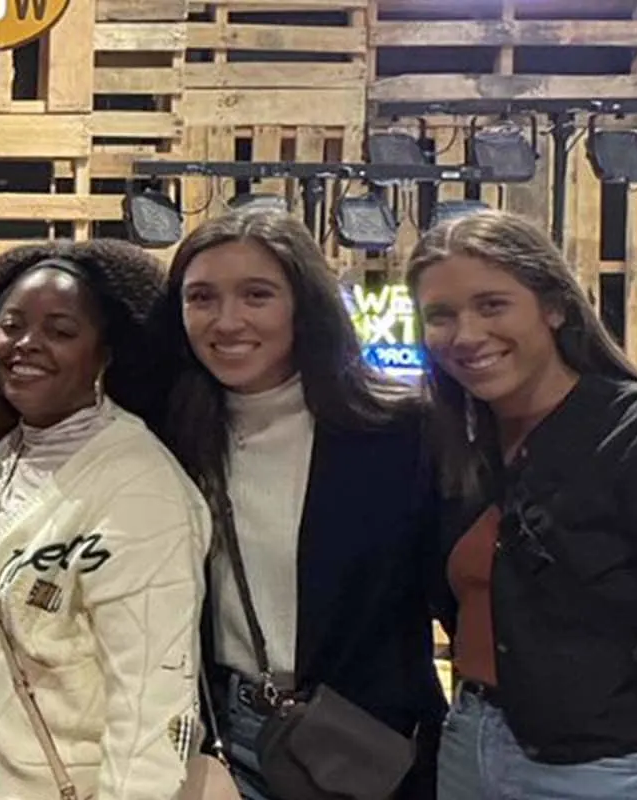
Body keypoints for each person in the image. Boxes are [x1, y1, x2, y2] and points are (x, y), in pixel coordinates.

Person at [147, 208, 444, 800]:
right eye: (201, 297)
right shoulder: (167, 435)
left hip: (360, 744)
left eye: (257, 294)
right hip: (217, 739)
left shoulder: (399, 431)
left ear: (303, 303)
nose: (226, 320)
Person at [0, 240, 208, 800]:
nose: (26, 344)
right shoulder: (11, 450)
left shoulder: (139, 485)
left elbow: (151, 694)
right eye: (12, 325)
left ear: (104, 354)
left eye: (60, 331)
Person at [408, 210, 637, 798]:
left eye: (491, 305)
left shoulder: (626, 432)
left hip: (601, 768)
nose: (465, 335)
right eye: (441, 316)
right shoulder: (450, 450)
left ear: (554, 306)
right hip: (467, 742)